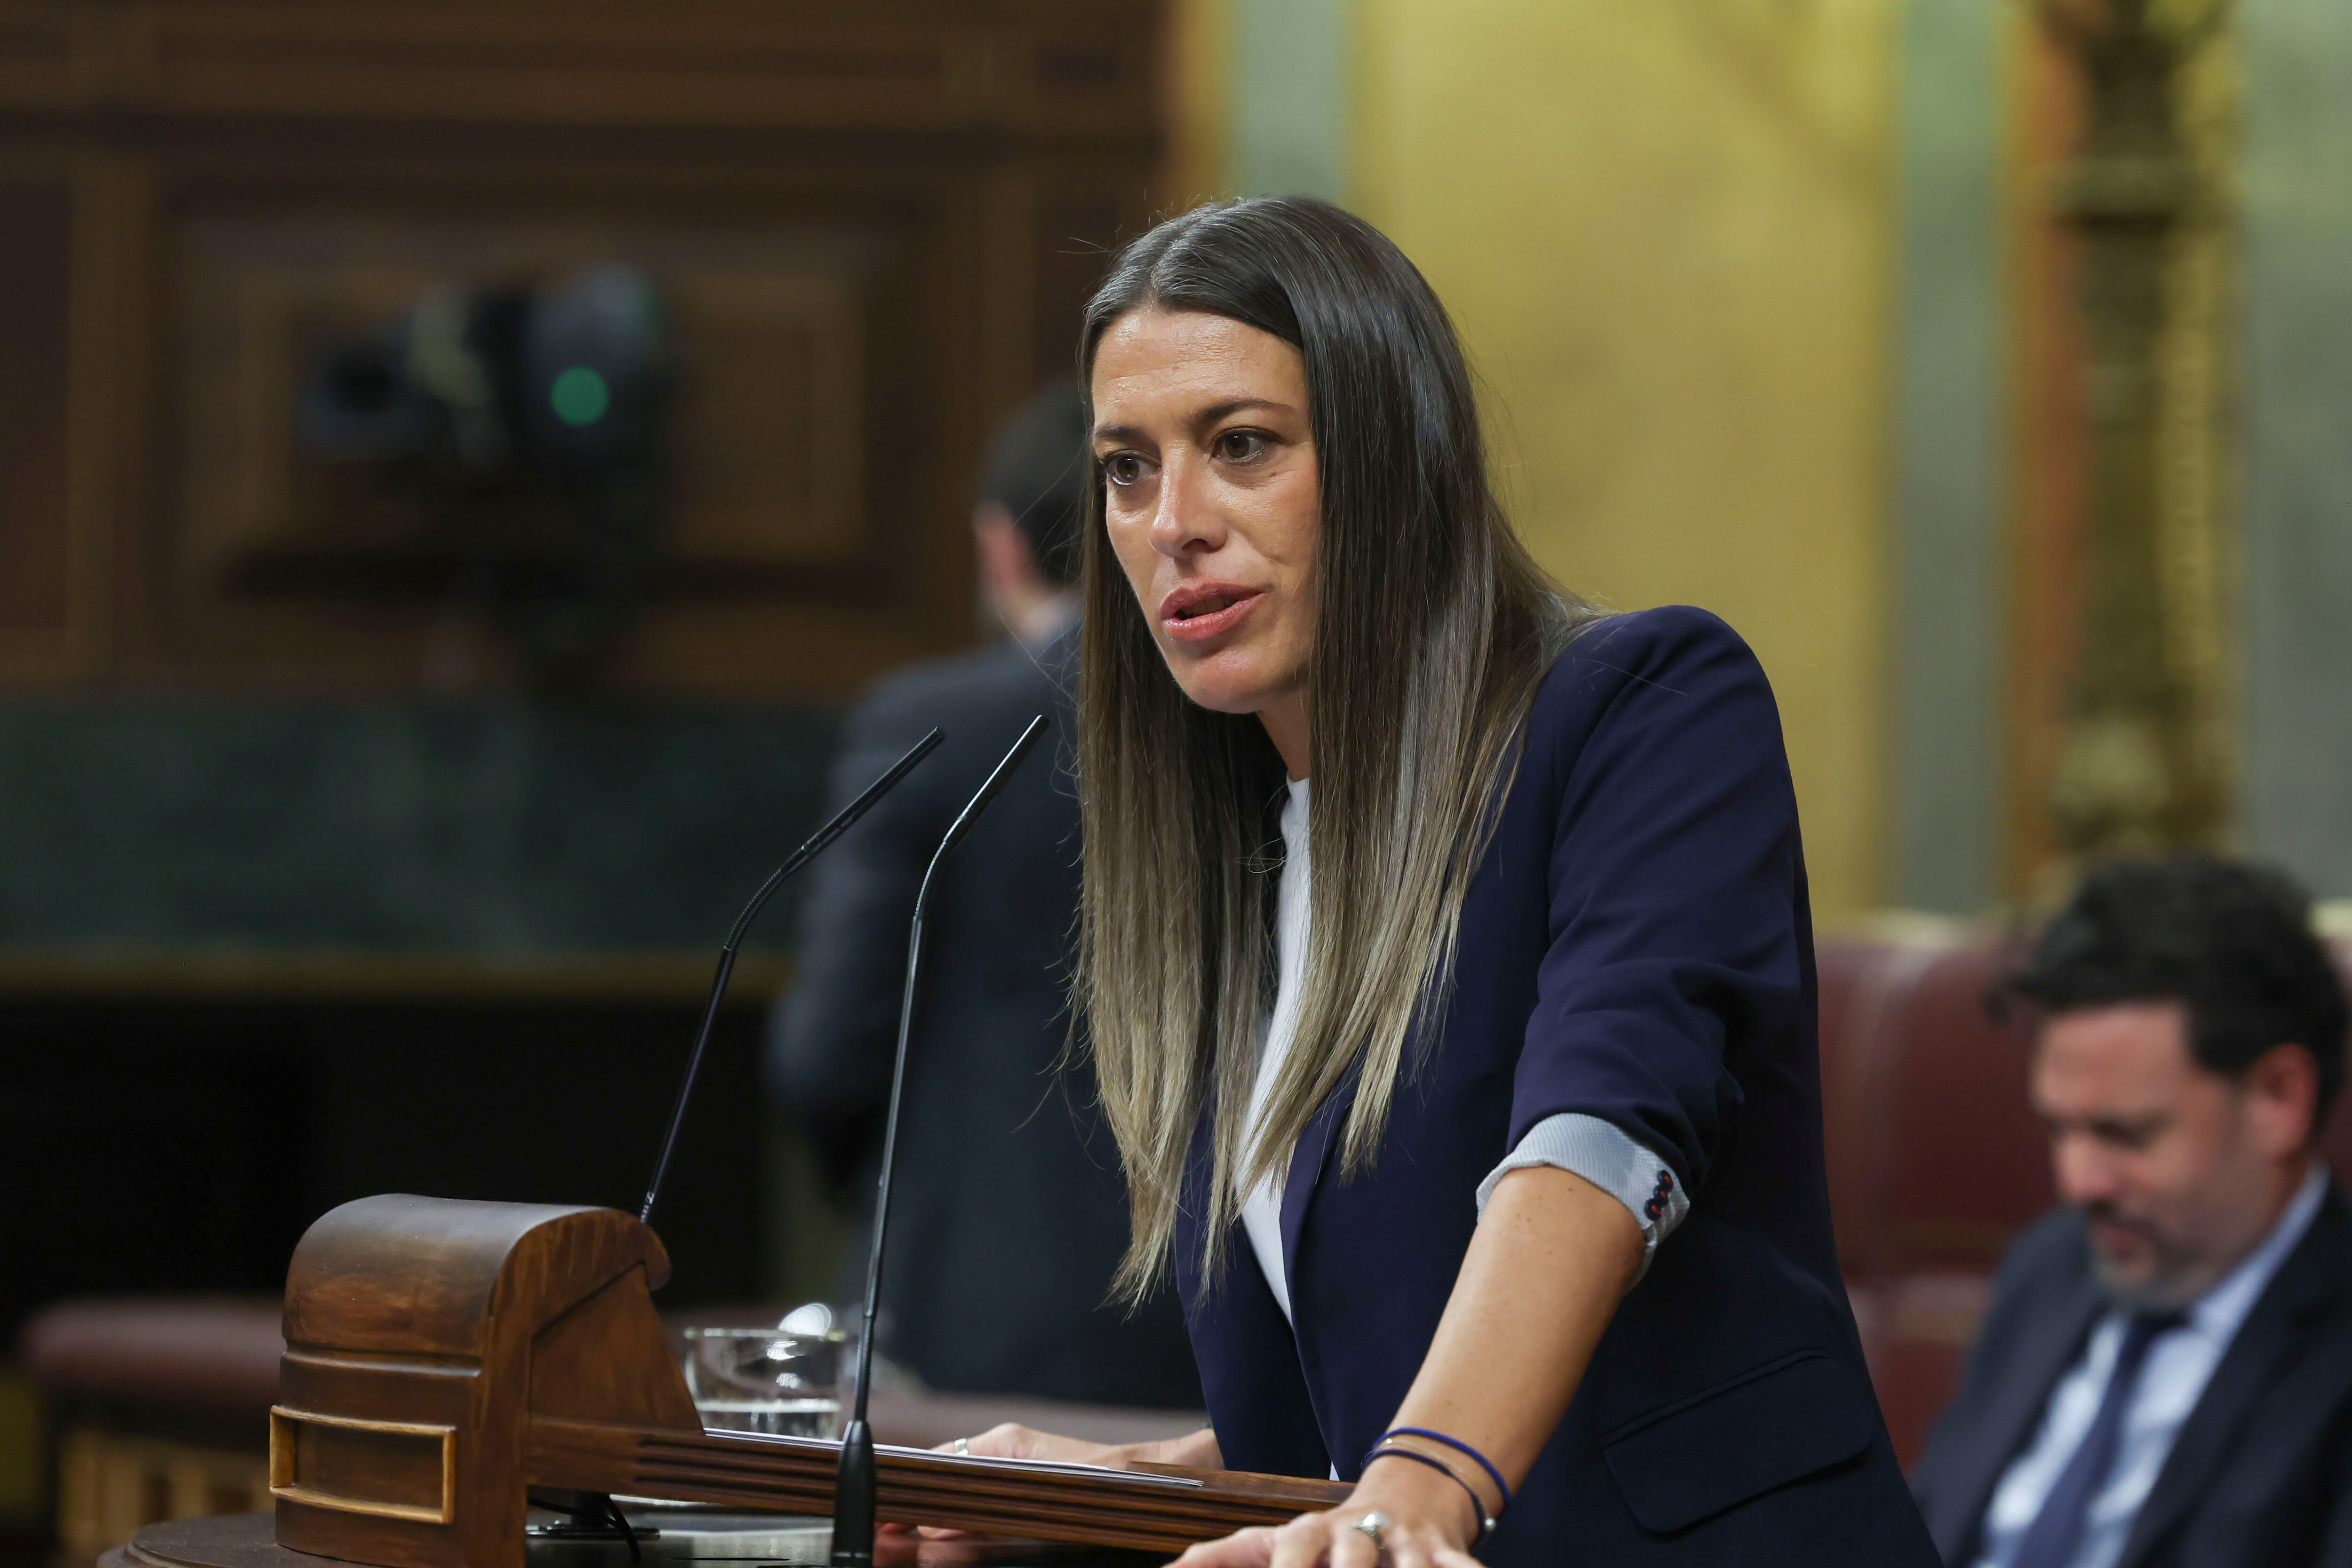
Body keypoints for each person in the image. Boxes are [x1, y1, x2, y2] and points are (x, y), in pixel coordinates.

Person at [940, 196, 1938, 1566]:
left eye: (1242, 445)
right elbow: (1361, 1393)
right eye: (1126, 467)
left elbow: (1603, 1138)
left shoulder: (1640, 707)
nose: (1173, 523)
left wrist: (1422, 1479)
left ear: (1390, 457)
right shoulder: (1235, 855)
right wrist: (1124, 1482)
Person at [766, 381, 1200, 1409]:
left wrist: (898, 1183)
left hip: (973, 1315)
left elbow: (829, 1049)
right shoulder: (1252, 719)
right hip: (1220, 1319)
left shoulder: (928, 728)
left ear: (999, 546)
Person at [1910, 856, 2352, 1568]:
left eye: (2125, 1134)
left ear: (2279, 1097)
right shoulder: (2048, 1267)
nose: (2077, 1182)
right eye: (2059, 1129)